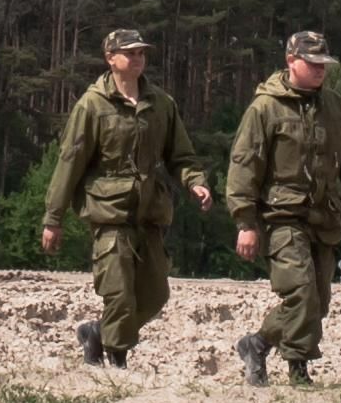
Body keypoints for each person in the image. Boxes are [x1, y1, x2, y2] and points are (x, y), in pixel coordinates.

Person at [40, 28, 212, 367]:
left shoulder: (161, 104)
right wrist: (53, 218)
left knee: (155, 294)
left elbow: (181, 156)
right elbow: (69, 163)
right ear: (110, 58)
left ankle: (98, 333)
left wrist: (195, 182)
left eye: (141, 53)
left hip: (149, 215)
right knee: (118, 293)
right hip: (109, 212)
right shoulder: (92, 105)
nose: (137, 59)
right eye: (130, 53)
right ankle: (117, 361)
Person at [228, 31, 341, 386]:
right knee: (300, 292)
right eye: (312, 64)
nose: (319, 70)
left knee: (319, 301)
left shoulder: (338, 109)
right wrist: (245, 222)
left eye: (323, 64)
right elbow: (244, 167)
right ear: (291, 61)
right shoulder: (265, 108)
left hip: (324, 217)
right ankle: (298, 368)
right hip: (281, 217)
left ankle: (258, 343)